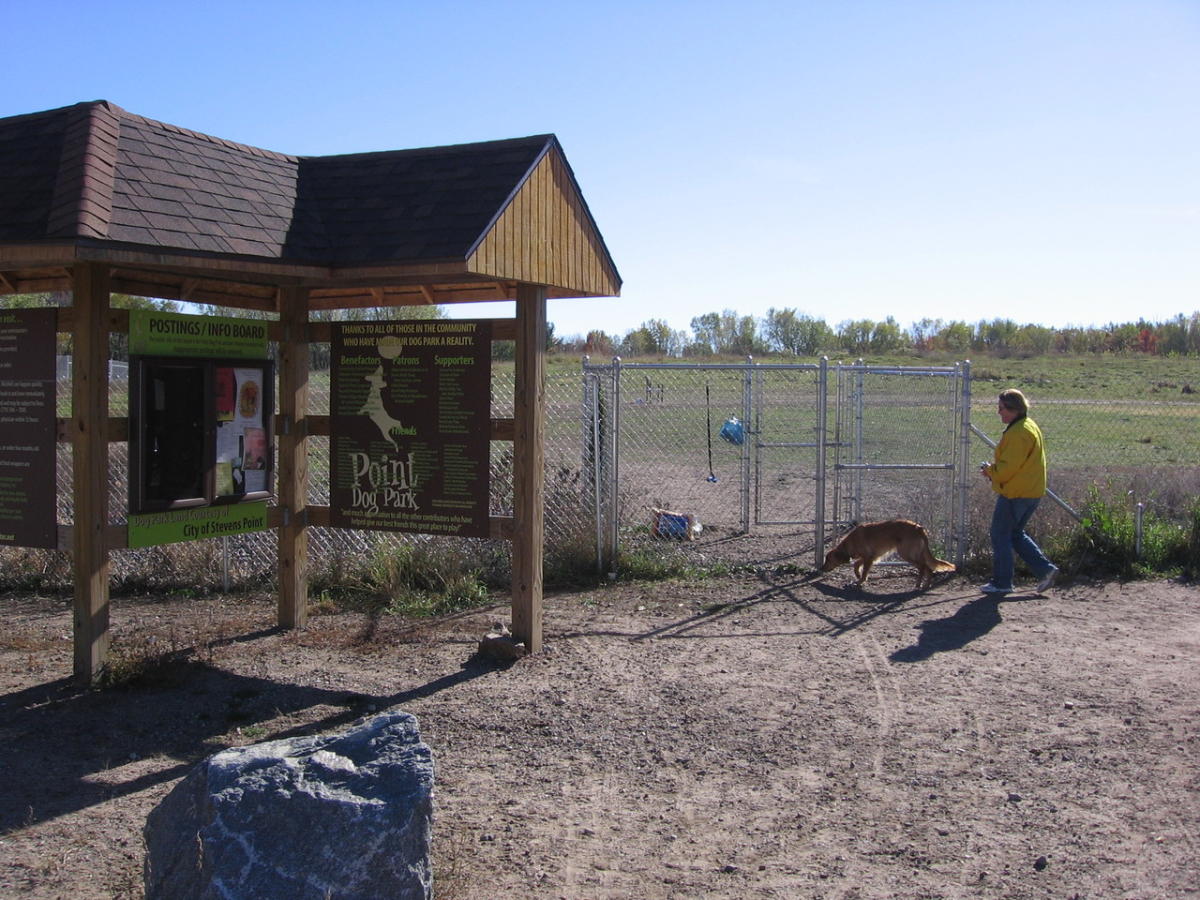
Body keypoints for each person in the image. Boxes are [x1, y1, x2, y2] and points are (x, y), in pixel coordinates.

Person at [979, 388, 1058, 594]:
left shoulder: (1018, 433)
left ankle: (1002, 582)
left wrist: (990, 471)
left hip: (1016, 492)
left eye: (1002, 408)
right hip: (1031, 490)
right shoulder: (1028, 425)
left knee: (1000, 534)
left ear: (1014, 409)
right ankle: (1046, 570)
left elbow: (1008, 468)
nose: (999, 413)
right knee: (1014, 534)